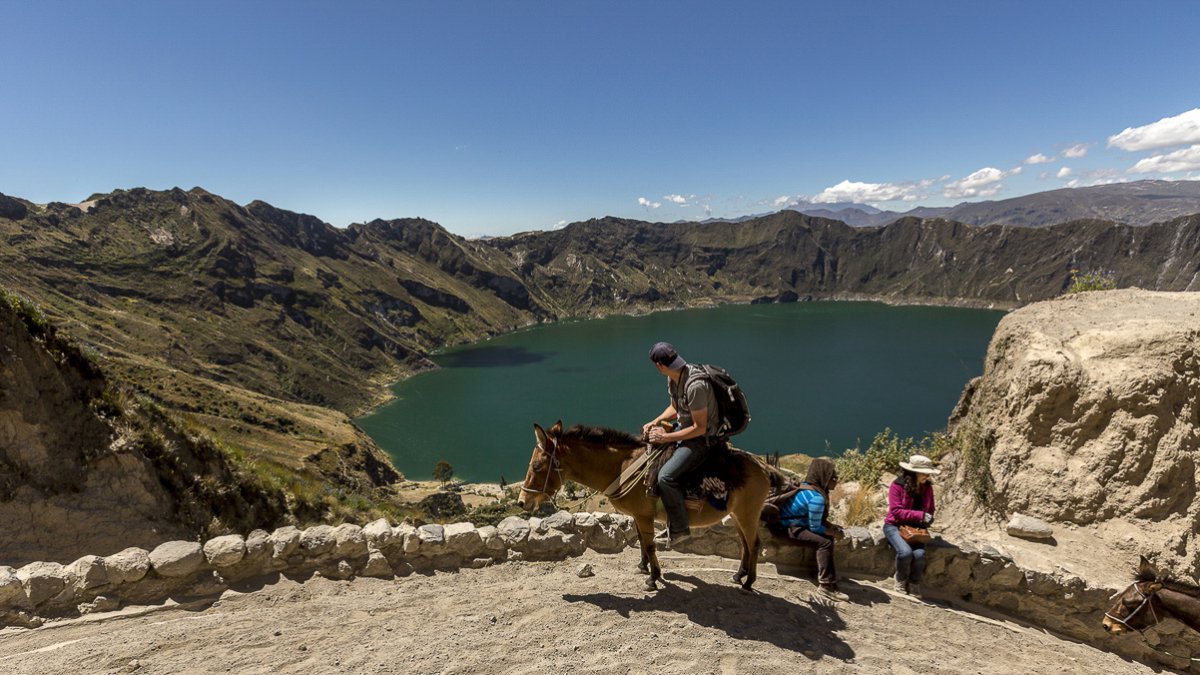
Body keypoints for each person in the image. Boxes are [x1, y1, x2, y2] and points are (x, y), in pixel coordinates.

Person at [641, 341, 720, 549]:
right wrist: (656, 421)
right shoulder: (674, 378)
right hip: (684, 431)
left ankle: (680, 529)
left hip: (703, 440)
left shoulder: (695, 386)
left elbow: (700, 428)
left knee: (665, 477)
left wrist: (666, 438)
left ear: (659, 365)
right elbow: (675, 407)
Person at [774, 458, 848, 601]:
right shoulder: (817, 498)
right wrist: (834, 533)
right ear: (824, 477)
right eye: (833, 477)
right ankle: (826, 587)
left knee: (827, 538)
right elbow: (815, 527)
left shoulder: (806, 487)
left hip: (784, 524)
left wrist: (830, 525)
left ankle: (822, 574)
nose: (836, 481)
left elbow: (810, 517)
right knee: (825, 542)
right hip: (787, 530)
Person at [884, 454, 940, 595]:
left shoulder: (927, 488)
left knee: (920, 555)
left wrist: (928, 518)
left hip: (916, 528)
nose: (927, 476)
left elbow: (931, 508)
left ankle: (914, 582)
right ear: (914, 473)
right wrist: (920, 515)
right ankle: (900, 579)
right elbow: (896, 511)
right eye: (924, 473)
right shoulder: (897, 486)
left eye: (928, 474)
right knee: (905, 553)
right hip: (894, 525)